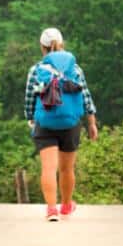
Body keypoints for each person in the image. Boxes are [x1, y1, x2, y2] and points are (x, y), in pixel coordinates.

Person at [24, 27, 98, 221]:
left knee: (48, 168)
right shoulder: (75, 69)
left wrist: (31, 119)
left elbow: (30, 99)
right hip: (70, 123)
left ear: (42, 47)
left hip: (45, 122)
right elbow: (86, 98)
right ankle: (66, 206)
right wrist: (91, 123)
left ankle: (51, 210)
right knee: (67, 169)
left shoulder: (36, 70)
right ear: (62, 44)